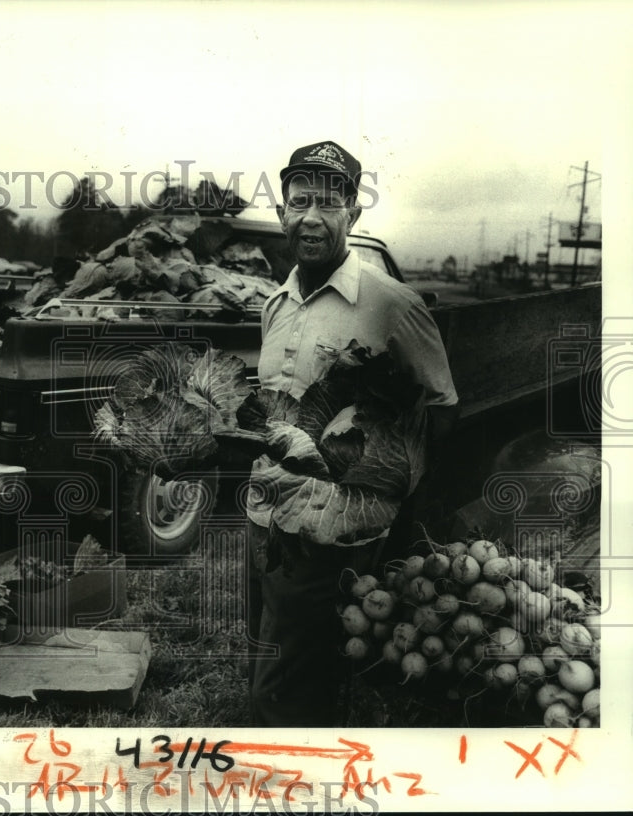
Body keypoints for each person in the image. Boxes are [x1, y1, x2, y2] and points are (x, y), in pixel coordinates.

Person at [245, 140, 459, 727]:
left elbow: (441, 405)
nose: (310, 217)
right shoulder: (275, 304)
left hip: (336, 523)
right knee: (267, 645)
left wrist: (407, 501)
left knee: (284, 682)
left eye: (328, 203)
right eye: (298, 202)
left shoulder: (391, 304)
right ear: (283, 212)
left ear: (353, 214)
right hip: (264, 513)